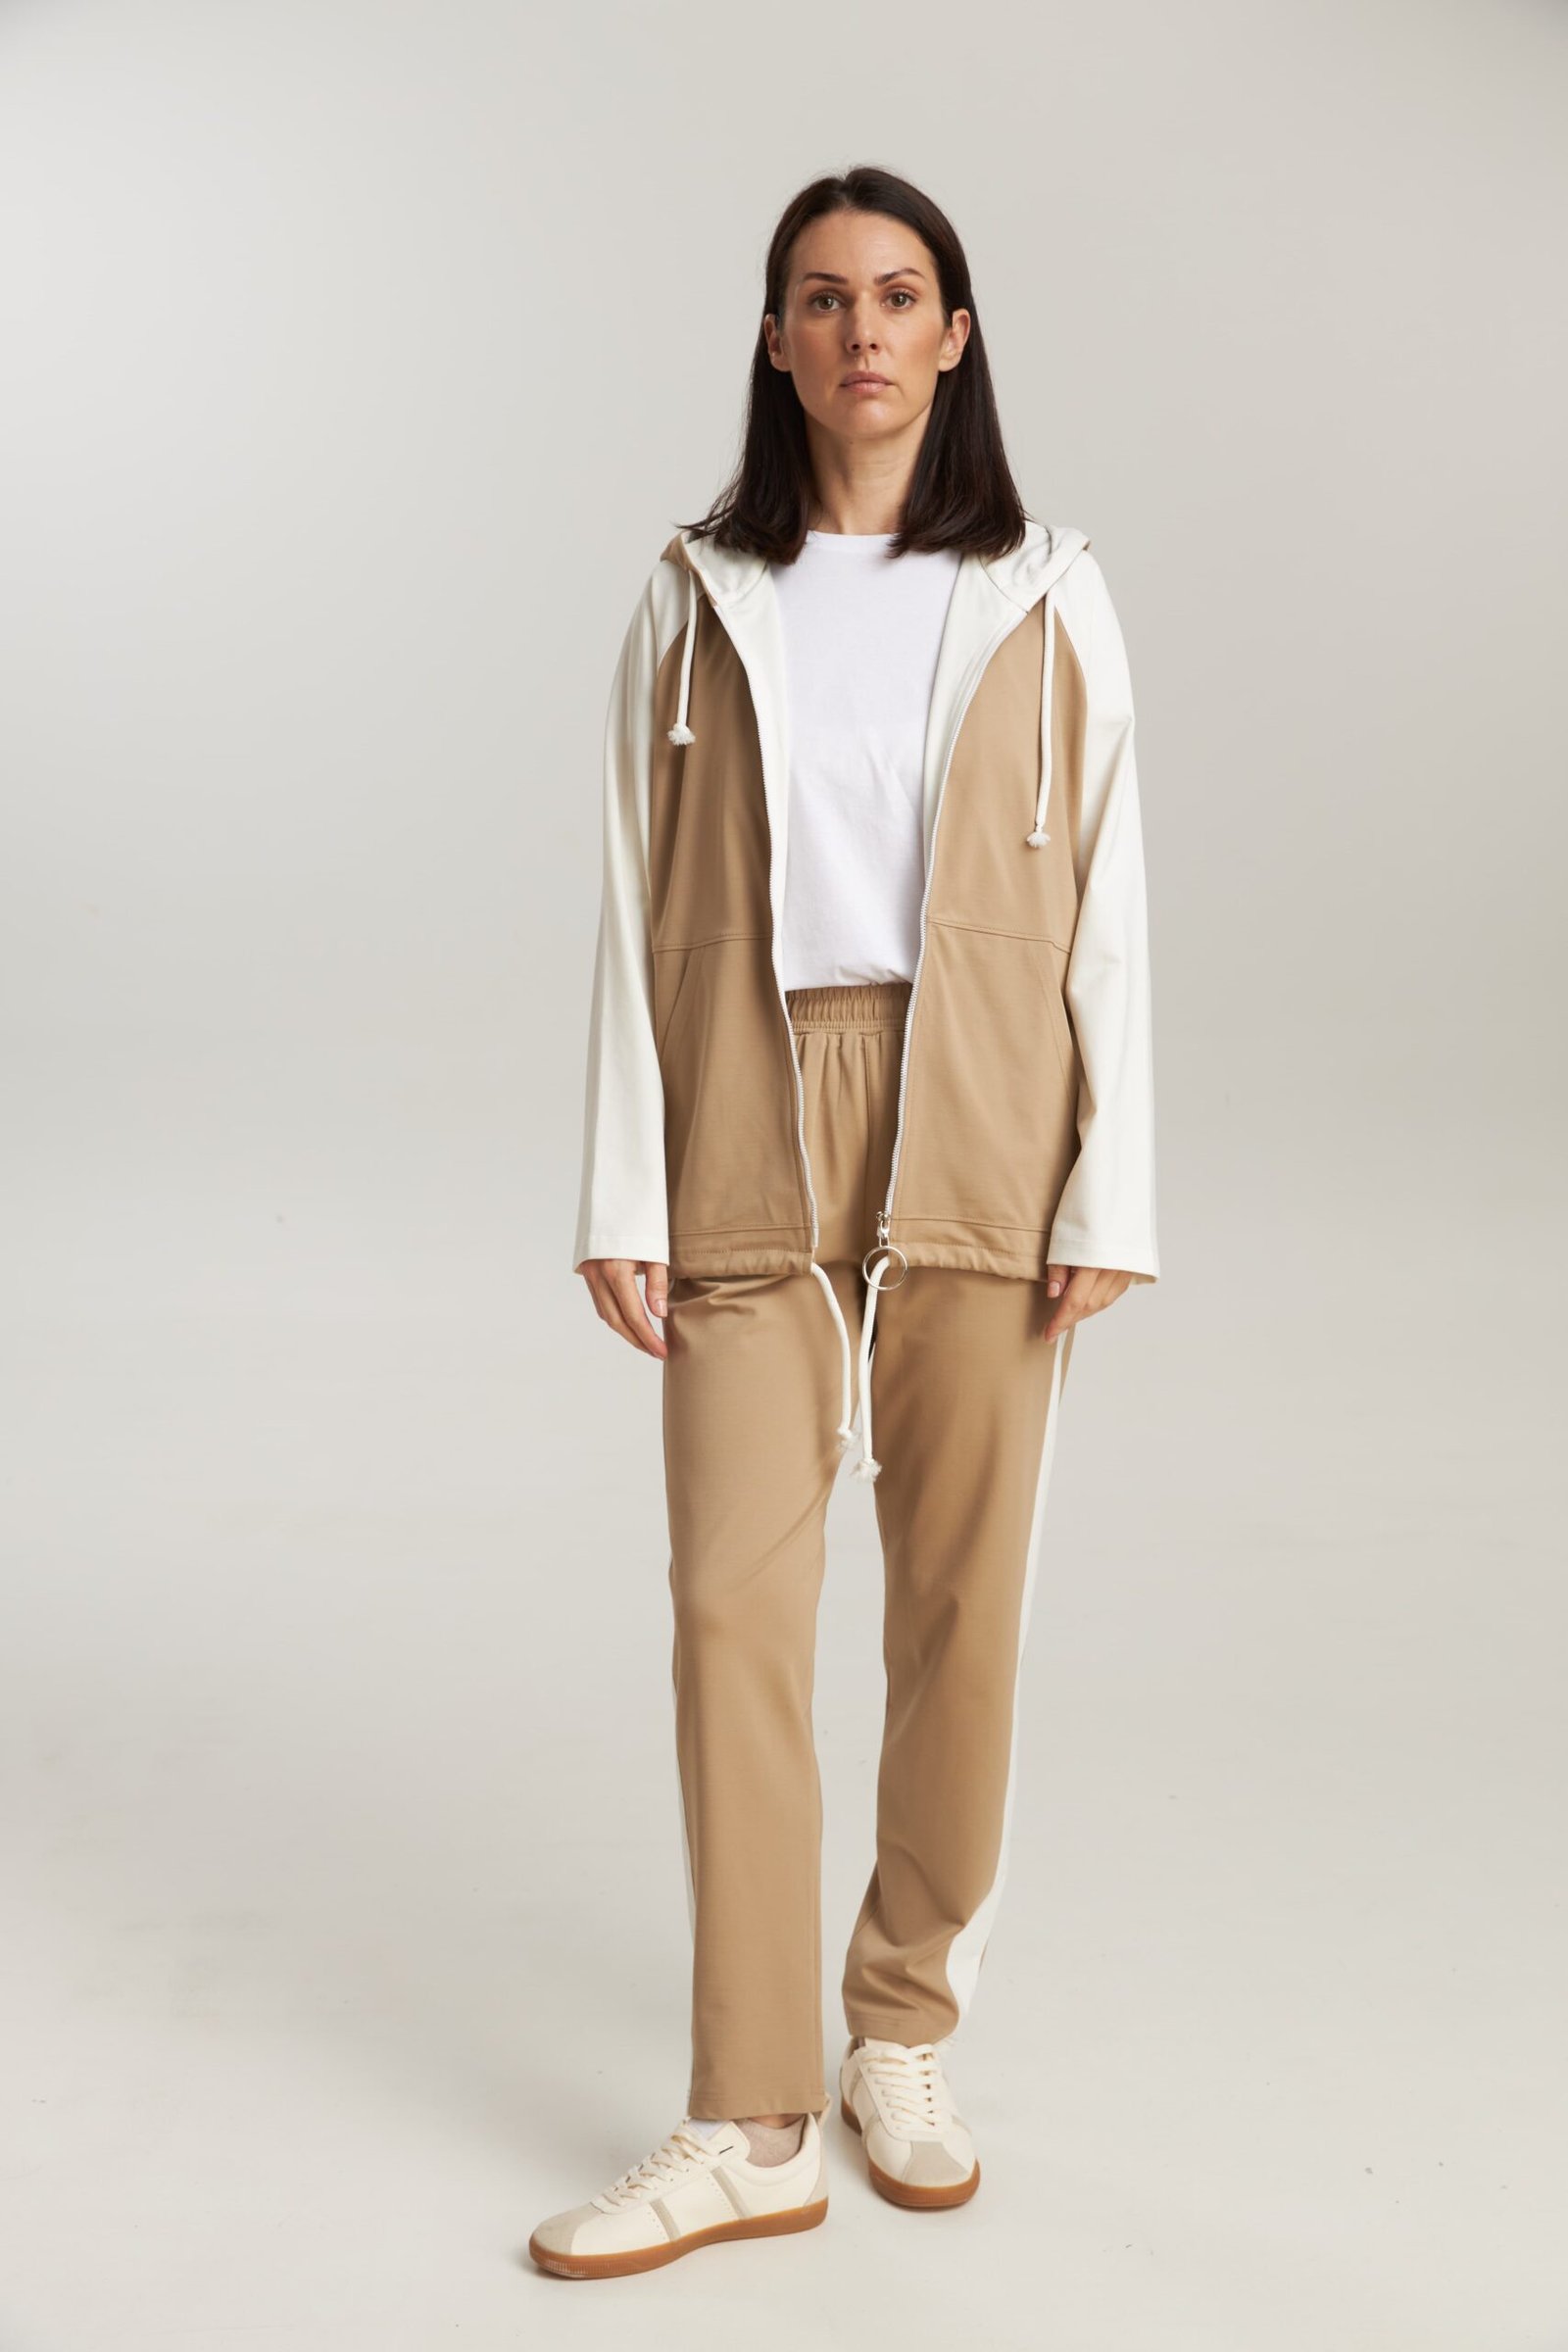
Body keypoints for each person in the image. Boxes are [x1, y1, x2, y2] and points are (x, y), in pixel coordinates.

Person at [531, 163, 1159, 2281]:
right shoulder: (696, 593)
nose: (862, 330)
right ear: (776, 340)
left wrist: (1112, 1177)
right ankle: (749, 2119)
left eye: (899, 296)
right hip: (749, 1093)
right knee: (732, 1604)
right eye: (822, 297)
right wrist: (622, 1181)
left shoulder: (1050, 591)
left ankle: (901, 2023)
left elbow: (1112, 898)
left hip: (982, 1097)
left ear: (953, 338)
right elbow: (630, 893)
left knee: (961, 1600)